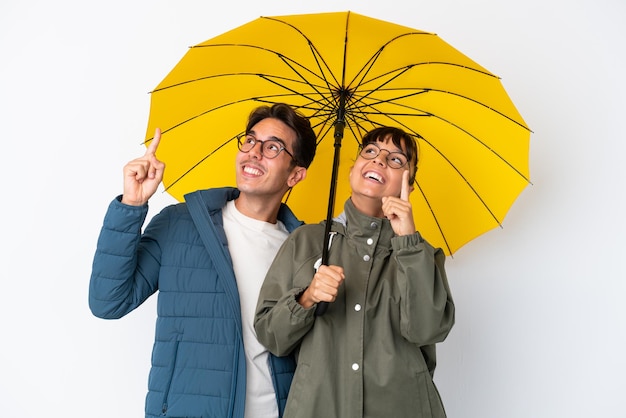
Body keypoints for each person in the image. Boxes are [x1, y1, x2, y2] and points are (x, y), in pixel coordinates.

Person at [89, 103, 317, 418]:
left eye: (273, 147)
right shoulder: (180, 223)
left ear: (295, 175)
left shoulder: (307, 252)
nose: (254, 152)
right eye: (250, 140)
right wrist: (131, 205)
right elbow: (108, 301)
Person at [254, 126, 455, 418]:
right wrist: (306, 299)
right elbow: (271, 336)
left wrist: (408, 242)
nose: (379, 160)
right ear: (352, 171)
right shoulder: (307, 241)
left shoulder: (422, 255)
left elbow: (428, 329)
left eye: (396, 160)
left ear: (408, 186)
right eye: (370, 152)